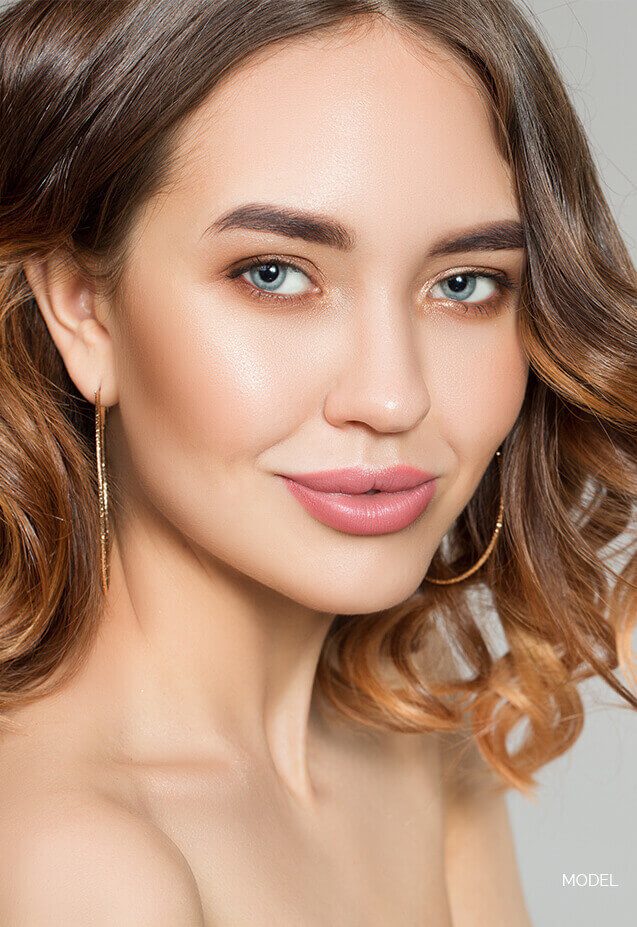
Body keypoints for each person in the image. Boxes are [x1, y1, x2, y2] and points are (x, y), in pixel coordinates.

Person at [0, 0, 634, 923]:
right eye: (274, 273)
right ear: (84, 311)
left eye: (464, 284)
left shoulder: (422, 754)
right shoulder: (75, 863)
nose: (390, 396)